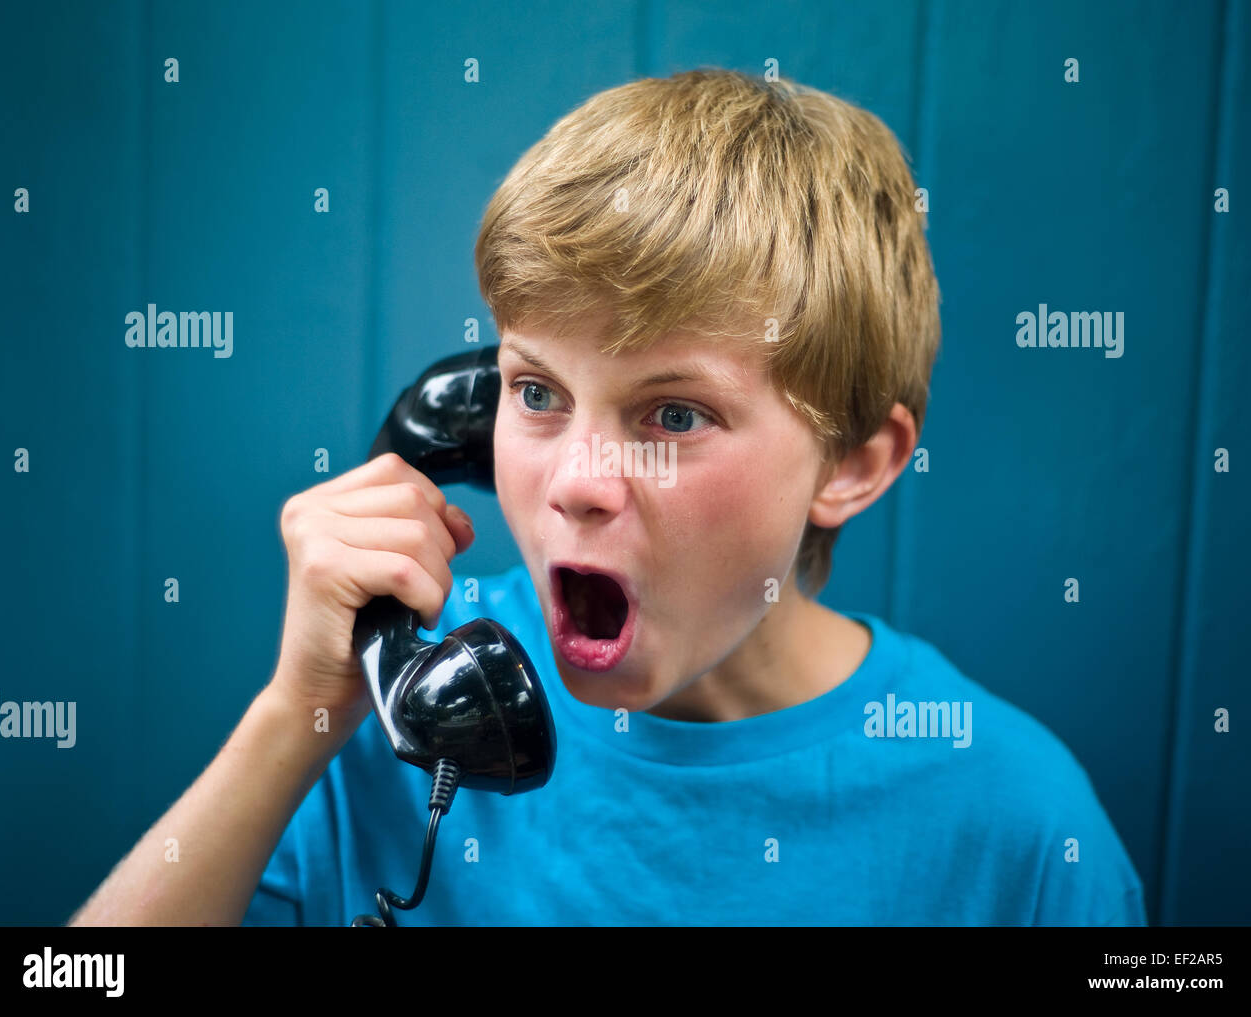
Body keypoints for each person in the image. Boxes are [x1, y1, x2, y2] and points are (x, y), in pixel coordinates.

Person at [69, 68, 1146, 926]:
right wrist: (289, 719)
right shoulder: (407, 713)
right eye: (536, 391)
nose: (575, 486)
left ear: (852, 464)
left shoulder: (1015, 824)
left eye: (672, 415)